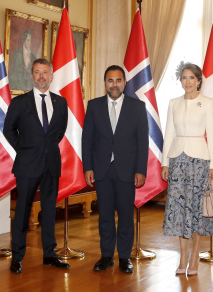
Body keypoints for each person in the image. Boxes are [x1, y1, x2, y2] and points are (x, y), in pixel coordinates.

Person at [3, 58, 69, 274]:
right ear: (32, 76)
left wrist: (46, 148)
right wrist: (23, 149)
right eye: (37, 72)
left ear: (51, 76)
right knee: (23, 211)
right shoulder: (19, 102)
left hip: (51, 163)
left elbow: (59, 132)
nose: (41, 76)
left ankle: (49, 254)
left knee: (49, 210)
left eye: (45, 72)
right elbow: (9, 130)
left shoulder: (61, 103)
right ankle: (17, 257)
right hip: (27, 164)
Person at [82, 65, 148, 274]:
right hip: (101, 170)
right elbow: (87, 140)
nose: (114, 85)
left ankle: (125, 257)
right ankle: (106, 256)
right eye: (110, 81)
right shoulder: (93, 106)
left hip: (127, 170)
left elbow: (142, 142)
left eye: (118, 80)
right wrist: (88, 167)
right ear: (105, 83)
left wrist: (140, 170)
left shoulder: (137, 107)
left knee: (126, 216)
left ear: (124, 83)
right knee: (105, 216)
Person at [160, 62, 213, 276]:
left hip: (200, 162)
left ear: (199, 81)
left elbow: (212, 135)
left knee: (196, 210)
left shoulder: (208, 103)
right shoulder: (173, 103)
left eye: (191, 78)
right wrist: (165, 162)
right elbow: (168, 133)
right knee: (178, 210)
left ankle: (195, 257)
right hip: (177, 160)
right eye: (184, 78)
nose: (187, 82)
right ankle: (182, 256)